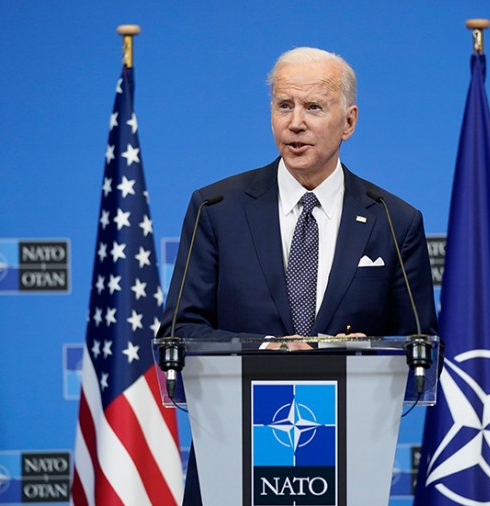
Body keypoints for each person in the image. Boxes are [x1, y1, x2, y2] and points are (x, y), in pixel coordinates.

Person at [158, 47, 439, 504]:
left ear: (348, 122)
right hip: (233, 457)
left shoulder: (393, 220)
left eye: (313, 107)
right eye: (284, 105)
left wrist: (339, 354)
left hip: (346, 460)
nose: (295, 123)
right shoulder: (217, 210)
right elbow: (178, 332)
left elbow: (419, 346)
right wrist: (269, 350)